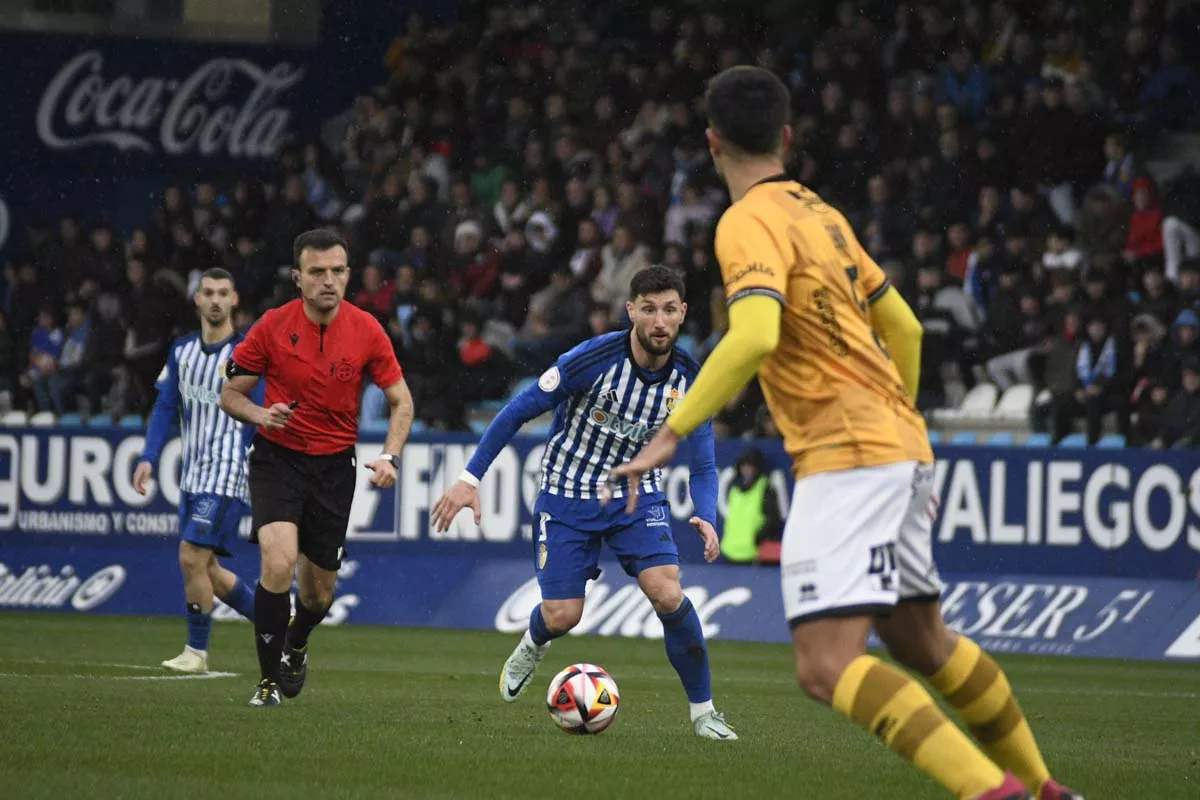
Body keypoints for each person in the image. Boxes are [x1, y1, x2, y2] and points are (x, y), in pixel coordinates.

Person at [610, 67, 1079, 800]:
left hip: (849, 455)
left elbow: (755, 331)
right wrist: (901, 414)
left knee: (825, 666)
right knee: (923, 641)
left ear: (711, 142)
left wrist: (672, 431)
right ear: (787, 137)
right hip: (900, 440)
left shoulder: (745, 222)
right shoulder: (823, 214)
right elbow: (904, 325)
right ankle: (1048, 789)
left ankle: (1001, 796)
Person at [430, 265, 736, 741]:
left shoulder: (693, 379)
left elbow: (703, 464)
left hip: (637, 497)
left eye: (670, 310)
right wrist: (470, 478)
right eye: (649, 309)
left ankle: (704, 713)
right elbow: (517, 410)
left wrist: (705, 513)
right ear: (631, 310)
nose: (659, 321)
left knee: (668, 592)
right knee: (562, 615)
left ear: (683, 315)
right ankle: (533, 642)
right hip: (567, 495)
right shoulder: (589, 360)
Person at [220, 229, 415, 708]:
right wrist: (262, 415)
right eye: (317, 272)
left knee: (318, 595)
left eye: (338, 271)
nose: (329, 281)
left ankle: (297, 643)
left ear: (348, 275)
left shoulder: (368, 329)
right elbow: (231, 393)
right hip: (277, 459)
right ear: (297, 278)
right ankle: (266, 684)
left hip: (334, 467)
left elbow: (401, 401)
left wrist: (390, 455)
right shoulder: (270, 326)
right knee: (279, 560)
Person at [133, 268, 259, 672]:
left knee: (190, 555)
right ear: (198, 300)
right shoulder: (181, 351)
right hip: (191, 476)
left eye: (224, 292)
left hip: (227, 471)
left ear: (235, 300)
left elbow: (262, 411)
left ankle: (196, 652)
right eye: (209, 292)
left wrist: (254, 451)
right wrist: (149, 457)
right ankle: (279, 625)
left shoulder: (247, 355)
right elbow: (166, 406)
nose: (217, 300)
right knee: (208, 569)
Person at [719, 447, 782, 564]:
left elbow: (773, 520)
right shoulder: (735, 489)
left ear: (757, 468)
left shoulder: (765, 488)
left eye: (750, 466)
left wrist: (757, 538)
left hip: (751, 555)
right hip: (729, 552)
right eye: (744, 465)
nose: (746, 470)